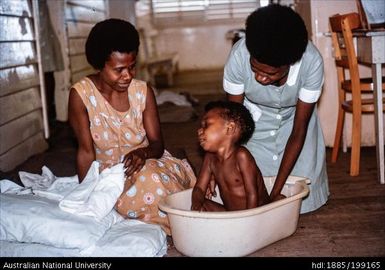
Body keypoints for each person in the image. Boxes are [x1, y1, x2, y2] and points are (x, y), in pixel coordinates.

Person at [68, 18, 196, 235]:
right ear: (100, 65)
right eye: (119, 70)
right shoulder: (81, 96)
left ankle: (182, 222)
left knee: (154, 181)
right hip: (110, 176)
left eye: (132, 66)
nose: (127, 75)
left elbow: (156, 144)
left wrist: (143, 153)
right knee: (132, 194)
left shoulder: (142, 92)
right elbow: (86, 152)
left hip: (148, 163)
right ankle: (179, 225)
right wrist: (87, 196)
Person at [222, 4, 329, 213]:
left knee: (300, 200)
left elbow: (299, 131)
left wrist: (276, 192)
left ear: (290, 63)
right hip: (252, 124)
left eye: (270, 74)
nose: (260, 78)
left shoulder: (311, 62)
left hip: (295, 125)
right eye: (255, 68)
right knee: (245, 194)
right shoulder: (238, 57)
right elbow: (233, 124)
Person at [191, 101, 270, 212]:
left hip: (256, 213)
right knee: (202, 203)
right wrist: (196, 204)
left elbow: (252, 194)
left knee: (278, 201)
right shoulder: (210, 158)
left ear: (230, 128)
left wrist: (249, 219)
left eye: (206, 125)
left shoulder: (241, 156)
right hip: (231, 215)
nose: (199, 130)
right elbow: (199, 188)